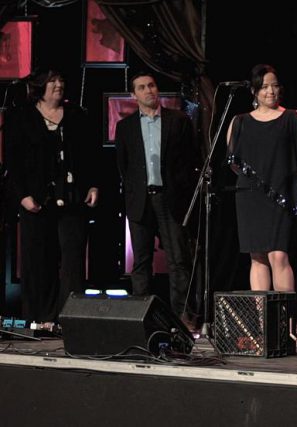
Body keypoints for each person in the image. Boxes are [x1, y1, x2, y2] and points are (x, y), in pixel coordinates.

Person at [4, 69, 99, 322]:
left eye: (61, 80)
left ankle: (70, 319)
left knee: (72, 258)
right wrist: (22, 195)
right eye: (52, 81)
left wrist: (93, 185)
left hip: (72, 197)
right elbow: (13, 162)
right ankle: (39, 318)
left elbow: (91, 154)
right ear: (39, 86)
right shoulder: (21, 116)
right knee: (37, 259)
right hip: (35, 199)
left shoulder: (77, 115)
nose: (58, 85)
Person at [115, 71, 199, 321]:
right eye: (141, 87)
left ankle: (182, 315)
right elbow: (123, 165)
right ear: (134, 95)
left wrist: (182, 189)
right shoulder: (126, 126)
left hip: (170, 198)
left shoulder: (178, 120)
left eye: (151, 85)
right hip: (140, 199)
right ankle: (142, 316)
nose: (148, 90)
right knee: (141, 261)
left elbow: (190, 159)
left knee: (178, 259)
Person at [226, 64, 297, 291]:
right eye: (264, 87)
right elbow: (234, 162)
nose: (270, 91)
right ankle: (262, 323)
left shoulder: (292, 117)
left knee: (279, 256)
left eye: (274, 86)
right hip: (250, 198)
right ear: (254, 91)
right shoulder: (239, 121)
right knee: (257, 258)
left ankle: (286, 324)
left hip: (283, 195)